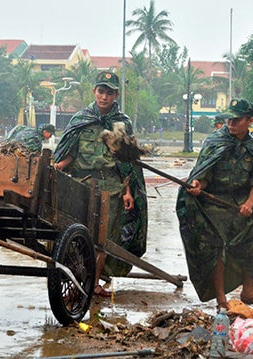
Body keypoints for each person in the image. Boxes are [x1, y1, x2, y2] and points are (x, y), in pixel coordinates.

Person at [176, 98, 253, 312]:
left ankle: (248, 291)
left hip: (241, 204)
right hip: (214, 204)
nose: (231, 124)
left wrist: (250, 203)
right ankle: (221, 299)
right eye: (229, 119)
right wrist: (197, 184)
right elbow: (203, 175)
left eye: (237, 120)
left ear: (249, 121)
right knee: (216, 249)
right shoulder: (215, 142)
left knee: (252, 242)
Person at [53, 71, 147, 297]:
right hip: (81, 185)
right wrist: (54, 168)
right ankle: (76, 280)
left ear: (116, 95)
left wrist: (127, 192)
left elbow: (127, 163)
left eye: (110, 93)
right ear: (94, 91)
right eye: (101, 91)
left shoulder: (122, 124)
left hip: (111, 187)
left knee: (102, 238)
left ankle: (93, 284)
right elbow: (70, 154)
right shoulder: (80, 120)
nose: (104, 97)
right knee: (76, 235)